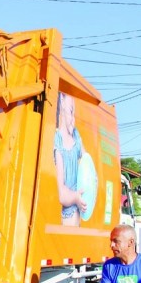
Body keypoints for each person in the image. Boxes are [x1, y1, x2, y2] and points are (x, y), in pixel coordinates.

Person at [53, 92, 87, 226]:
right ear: (61, 105)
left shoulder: (76, 136)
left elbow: (87, 161)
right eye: (71, 112)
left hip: (77, 214)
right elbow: (62, 194)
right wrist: (76, 198)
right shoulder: (58, 143)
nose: (73, 119)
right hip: (68, 214)